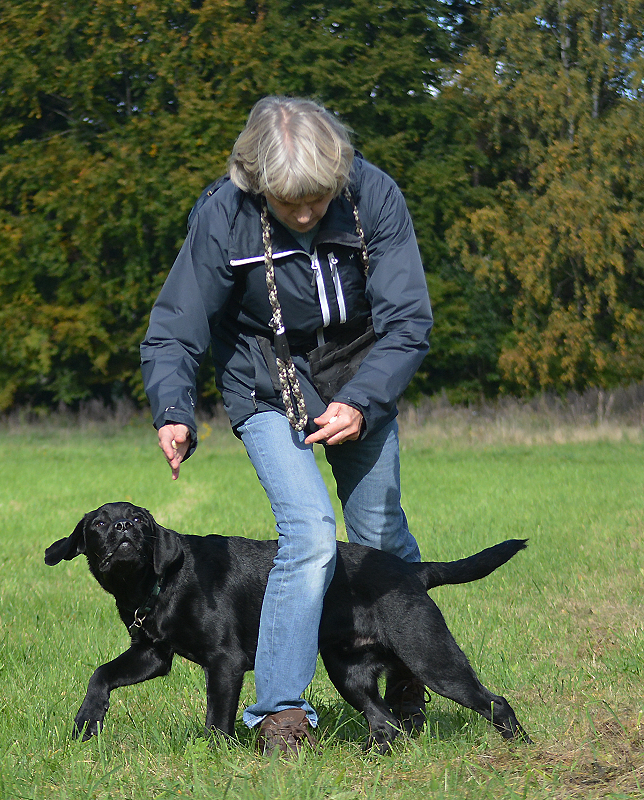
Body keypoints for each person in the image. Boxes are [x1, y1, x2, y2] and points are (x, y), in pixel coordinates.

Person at [140, 96, 433, 756]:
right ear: (254, 180)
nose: (304, 215)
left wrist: (362, 399)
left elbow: (407, 321)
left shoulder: (374, 196)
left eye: (317, 201)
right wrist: (174, 411)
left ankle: (409, 668)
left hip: (361, 371)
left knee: (381, 532)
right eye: (288, 202)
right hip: (264, 379)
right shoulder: (223, 213)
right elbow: (175, 327)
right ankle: (280, 716)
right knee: (308, 532)